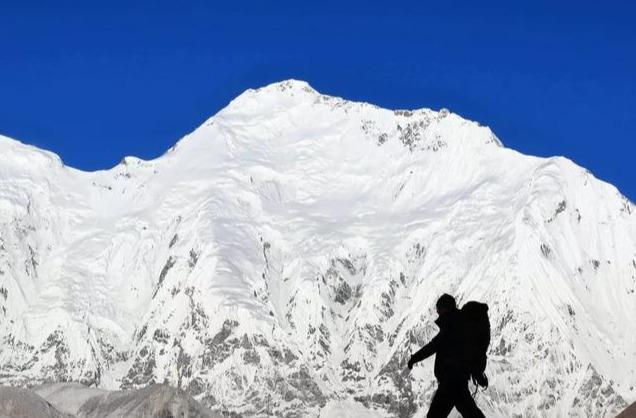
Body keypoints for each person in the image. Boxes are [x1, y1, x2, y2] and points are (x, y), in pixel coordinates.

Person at [407, 294, 486, 418]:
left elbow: (432, 346)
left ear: (445, 308)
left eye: (439, 309)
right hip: (459, 381)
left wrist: (414, 358)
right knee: (472, 414)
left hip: (450, 383)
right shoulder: (460, 324)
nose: (437, 312)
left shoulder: (451, 326)